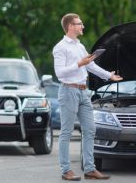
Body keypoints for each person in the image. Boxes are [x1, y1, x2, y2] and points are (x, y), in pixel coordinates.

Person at [52, 13, 123, 181]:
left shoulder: (79, 46)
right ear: (70, 26)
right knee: (66, 132)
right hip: (68, 91)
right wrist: (79, 64)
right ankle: (65, 170)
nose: (82, 26)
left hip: (84, 92)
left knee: (90, 129)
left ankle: (90, 169)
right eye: (79, 23)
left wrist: (108, 76)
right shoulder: (60, 47)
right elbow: (59, 73)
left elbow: (90, 65)